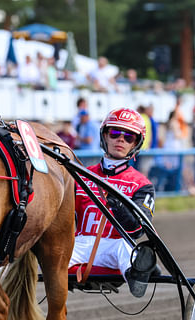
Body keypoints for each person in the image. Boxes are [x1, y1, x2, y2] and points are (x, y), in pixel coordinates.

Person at [69, 107, 157, 298]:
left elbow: (137, 230)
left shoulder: (142, 185)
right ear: (105, 136)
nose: (120, 140)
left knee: (127, 247)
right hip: (81, 242)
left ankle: (139, 269)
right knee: (50, 249)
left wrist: (116, 205)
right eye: (115, 133)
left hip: (115, 247)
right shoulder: (81, 176)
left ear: (136, 143)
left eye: (129, 137)